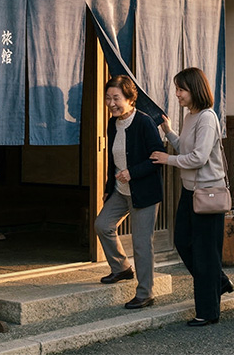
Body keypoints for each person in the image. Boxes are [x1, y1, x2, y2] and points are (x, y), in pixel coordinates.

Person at [149, 67, 233, 327]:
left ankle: (208, 312)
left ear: (194, 90)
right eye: (177, 89)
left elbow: (198, 157)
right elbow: (188, 147)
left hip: (207, 192)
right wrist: (169, 131)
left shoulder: (207, 118)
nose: (177, 94)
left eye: (181, 89)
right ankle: (218, 282)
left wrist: (167, 159)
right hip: (190, 191)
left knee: (206, 253)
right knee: (183, 242)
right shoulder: (190, 117)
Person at [95, 75, 166, 309]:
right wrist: (108, 189)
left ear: (130, 99)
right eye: (108, 98)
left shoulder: (144, 122)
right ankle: (122, 268)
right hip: (120, 190)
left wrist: (132, 173)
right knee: (102, 225)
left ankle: (145, 293)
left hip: (143, 192)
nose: (111, 103)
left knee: (141, 243)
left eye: (116, 98)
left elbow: (157, 157)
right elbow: (111, 161)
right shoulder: (112, 123)